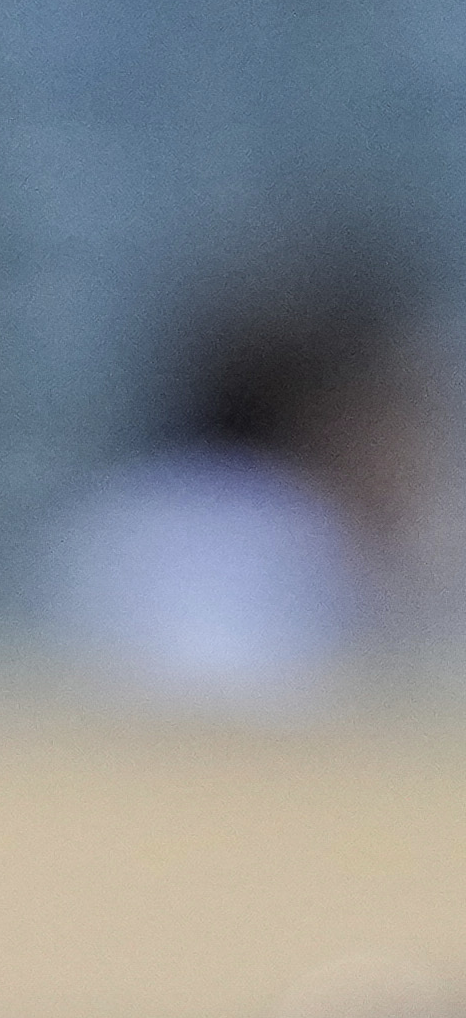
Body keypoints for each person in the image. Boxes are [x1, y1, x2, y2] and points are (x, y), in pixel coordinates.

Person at [40, 243, 442, 707]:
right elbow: (216, 714)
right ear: (333, 418)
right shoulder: (267, 530)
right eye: (397, 416)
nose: (413, 451)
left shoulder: (133, 502)